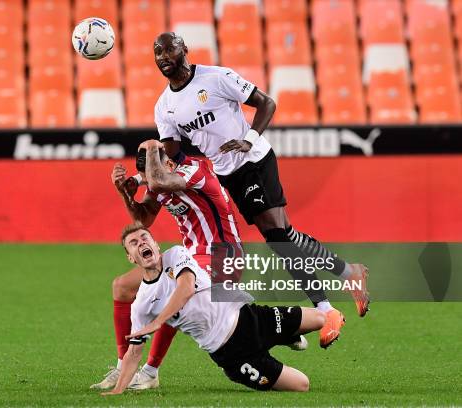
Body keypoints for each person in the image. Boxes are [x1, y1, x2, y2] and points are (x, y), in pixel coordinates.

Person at [151, 32, 369, 348]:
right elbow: (173, 150)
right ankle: (350, 272)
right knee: (285, 235)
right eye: (157, 53)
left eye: (168, 49)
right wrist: (192, 170)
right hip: (228, 174)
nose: (163, 57)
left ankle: (326, 309)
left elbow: (266, 103)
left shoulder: (216, 78)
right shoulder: (164, 106)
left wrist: (248, 139)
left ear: (184, 49)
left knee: (278, 238)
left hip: (254, 159)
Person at [102, 223, 325, 396]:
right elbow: (134, 352)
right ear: (131, 257)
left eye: (145, 237)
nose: (141, 243)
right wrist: (118, 390)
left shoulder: (176, 255)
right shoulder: (142, 304)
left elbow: (186, 287)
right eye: (134, 242)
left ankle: (285, 335)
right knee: (302, 385)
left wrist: (159, 321)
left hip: (248, 317)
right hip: (231, 353)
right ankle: (283, 337)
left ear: (156, 244)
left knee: (320, 320)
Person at [91, 140, 243, 390]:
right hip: (192, 255)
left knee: (176, 294)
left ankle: (150, 372)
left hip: (222, 255)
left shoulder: (195, 170)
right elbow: (144, 219)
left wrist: (151, 149)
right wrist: (126, 195)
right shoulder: (159, 180)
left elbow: (158, 181)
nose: (148, 183)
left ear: (170, 164)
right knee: (122, 287)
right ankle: (122, 368)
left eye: (149, 178)